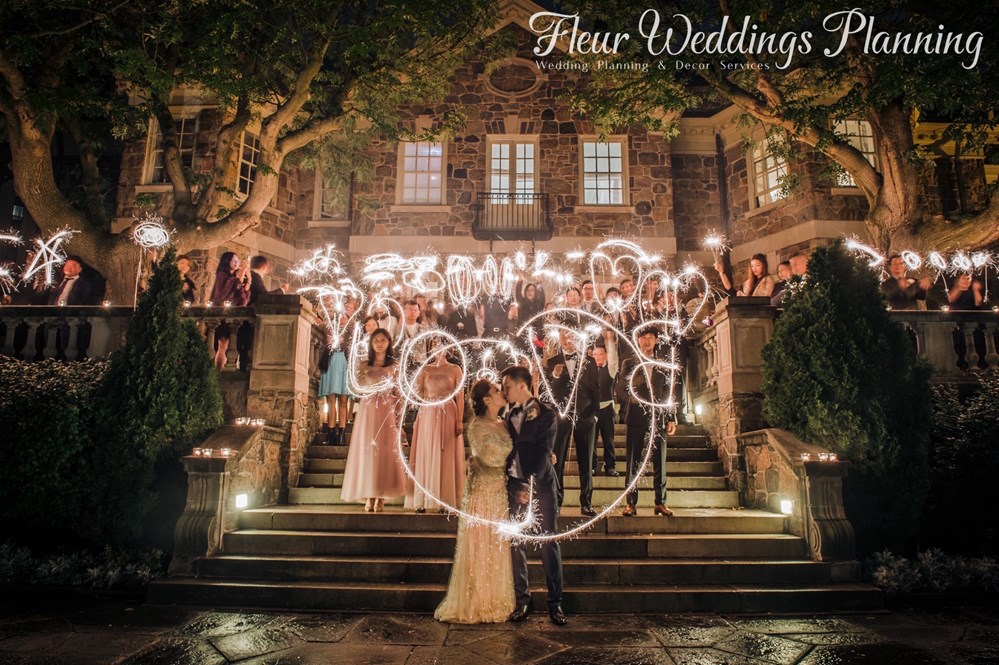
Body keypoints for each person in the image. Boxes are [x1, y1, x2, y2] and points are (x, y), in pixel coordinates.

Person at [434, 380, 515, 624]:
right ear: (487, 400)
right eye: (496, 391)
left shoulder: (504, 422)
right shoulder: (476, 425)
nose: (502, 392)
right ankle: (478, 601)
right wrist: (513, 459)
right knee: (481, 546)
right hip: (482, 493)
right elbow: (489, 457)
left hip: (500, 491)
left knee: (496, 547)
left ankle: (496, 598)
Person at [500, 365, 567, 626]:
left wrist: (529, 486)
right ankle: (522, 600)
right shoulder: (507, 414)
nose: (504, 391)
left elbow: (543, 452)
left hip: (542, 486)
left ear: (521, 385)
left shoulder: (547, 414)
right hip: (514, 485)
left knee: (549, 542)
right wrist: (515, 484)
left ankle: (555, 602)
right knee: (516, 543)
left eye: (507, 386)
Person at [340, 328, 408, 512]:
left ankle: (381, 496)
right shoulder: (363, 364)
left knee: (384, 452)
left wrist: (399, 416)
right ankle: (369, 494)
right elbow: (357, 387)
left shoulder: (394, 366)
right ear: (371, 343)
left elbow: (399, 393)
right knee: (368, 452)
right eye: (376, 340)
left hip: (386, 410)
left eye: (383, 340)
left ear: (389, 343)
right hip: (368, 410)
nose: (379, 343)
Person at [615, 327, 678, 517]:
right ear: (638, 340)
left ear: (656, 340)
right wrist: (632, 400)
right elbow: (620, 389)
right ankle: (630, 503)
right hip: (636, 415)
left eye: (651, 337)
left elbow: (669, 391)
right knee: (633, 461)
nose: (647, 341)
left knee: (660, 460)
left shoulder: (664, 364)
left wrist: (671, 416)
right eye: (644, 337)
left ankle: (661, 502)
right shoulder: (629, 363)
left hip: (658, 416)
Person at [545, 330, 600, 515]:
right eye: (564, 335)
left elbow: (596, 388)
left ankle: (586, 502)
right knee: (557, 461)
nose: (567, 339)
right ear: (559, 338)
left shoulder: (588, 361)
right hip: (561, 418)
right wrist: (555, 375)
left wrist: (595, 414)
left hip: (586, 416)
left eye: (571, 335)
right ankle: (556, 502)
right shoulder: (552, 362)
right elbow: (547, 392)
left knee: (586, 461)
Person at [406, 343, 465, 513]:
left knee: (446, 453)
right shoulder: (425, 369)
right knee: (426, 452)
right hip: (428, 412)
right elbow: (419, 394)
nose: (437, 347)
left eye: (441, 343)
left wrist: (459, 420)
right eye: (434, 344)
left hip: (448, 412)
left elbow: (460, 396)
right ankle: (423, 499)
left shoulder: (455, 369)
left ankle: (446, 500)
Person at [318, 297, 357, 445]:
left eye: (345, 317)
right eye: (340, 317)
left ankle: (341, 433)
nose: (342, 319)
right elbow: (319, 321)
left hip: (344, 365)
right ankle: (331, 432)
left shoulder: (351, 332)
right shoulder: (328, 328)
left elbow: (354, 349)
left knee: (343, 400)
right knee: (331, 399)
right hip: (331, 363)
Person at [209, 251, 251, 370]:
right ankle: (218, 371)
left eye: (238, 261)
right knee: (222, 344)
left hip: (232, 315)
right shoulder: (221, 275)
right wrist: (243, 271)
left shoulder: (233, 277)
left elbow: (243, 297)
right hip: (222, 314)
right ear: (227, 261)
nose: (237, 263)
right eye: (234, 260)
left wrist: (248, 278)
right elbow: (225, 292)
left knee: (228, 345)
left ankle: (223, 369)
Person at [591, 342, 619, 477]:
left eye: (601, 354)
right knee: (592, 440)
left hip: (607, 407)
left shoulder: (610, 369)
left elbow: (614, 358)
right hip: (592, 408)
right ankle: (592, 466)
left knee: (608, 440)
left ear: (606, 355)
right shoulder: (588, 370)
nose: (597, 357)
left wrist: (610, 340)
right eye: (595, 354)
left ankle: (610, 466)